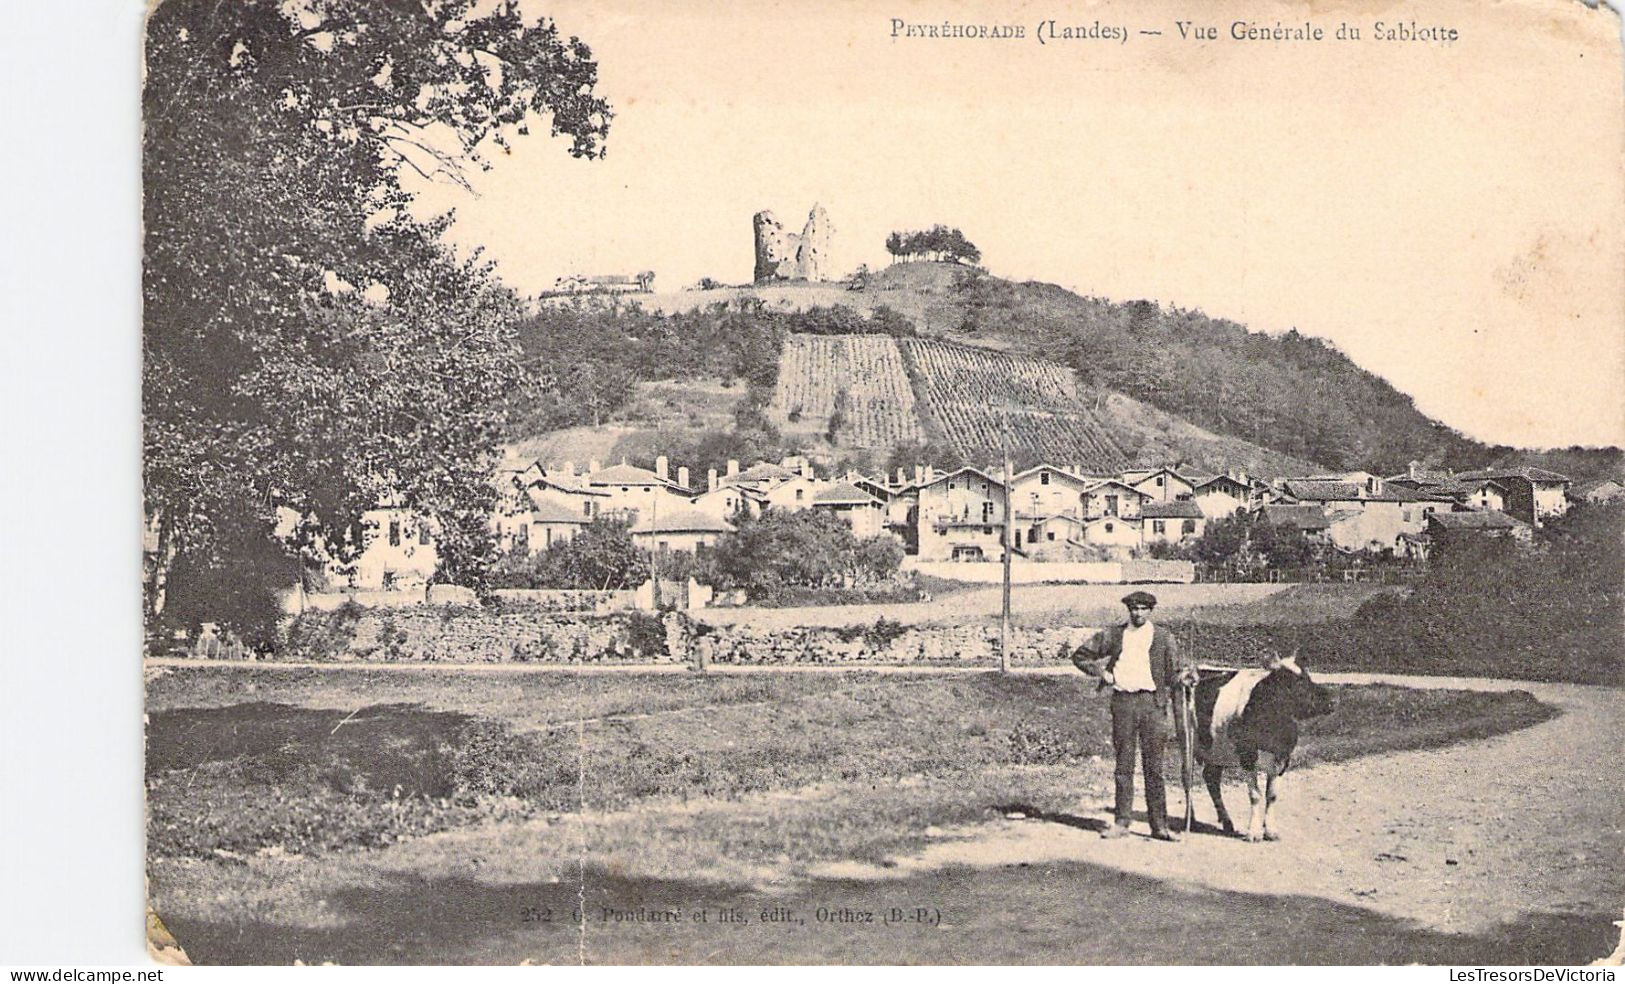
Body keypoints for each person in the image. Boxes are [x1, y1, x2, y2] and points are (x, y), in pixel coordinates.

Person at [1070, 590, 1194, 842]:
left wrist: (1185, 677)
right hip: (1124, 704)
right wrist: (1101, 672)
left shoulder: (1163, 637)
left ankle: (1159, 826)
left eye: (1143, 609)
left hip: (1152, 705)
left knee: (1154, 768)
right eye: (1134, 608)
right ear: (1129, 610)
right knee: (1124, 766)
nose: (1138, 613)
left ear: (1150, 611)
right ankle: (1122, 823)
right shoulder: (1115, 635)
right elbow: (1081, 655)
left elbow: (1175, 672)